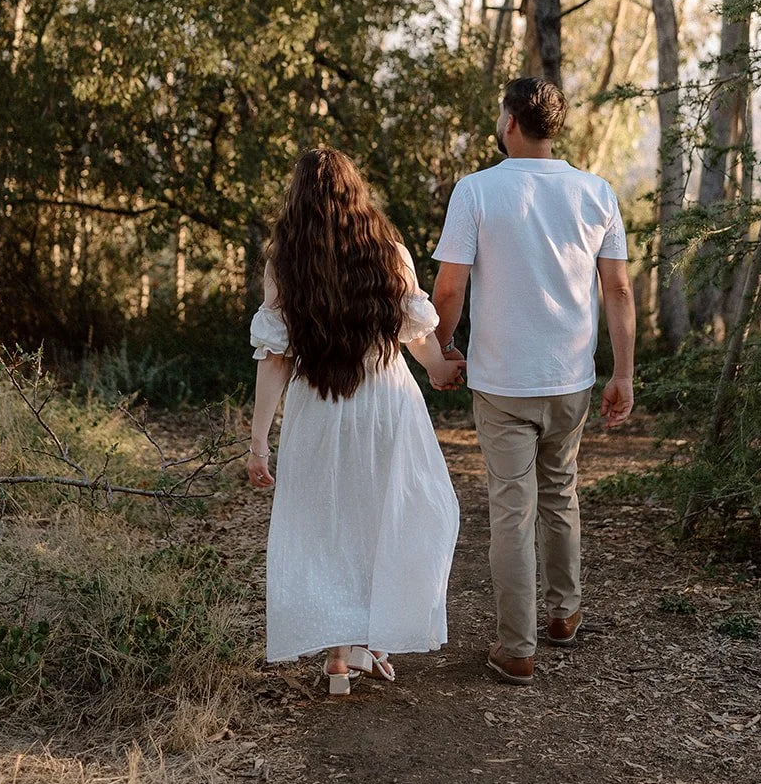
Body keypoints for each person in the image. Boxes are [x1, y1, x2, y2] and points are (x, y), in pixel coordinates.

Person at [431, 78, 635, 685]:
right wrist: (622, 372)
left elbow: (448, 286)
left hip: (502, 382)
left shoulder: (477, 191)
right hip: (570, 377)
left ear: (512, 122)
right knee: (561, 494)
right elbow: (618, 289)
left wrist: (441, 348)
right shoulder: (596, 193)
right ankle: (565, 614)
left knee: (512, 510)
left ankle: (517, 647)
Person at [246, 147, 462, 696]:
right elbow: (415, 333)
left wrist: (258, 443)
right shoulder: (388, 252)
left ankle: (341, 657)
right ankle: (368, 642)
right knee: (390, 518)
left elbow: (275, 359)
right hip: (386, 405)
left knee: (330, 525)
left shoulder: (284, 264)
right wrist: (441, 369)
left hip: (318, 410)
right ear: (356, 193)